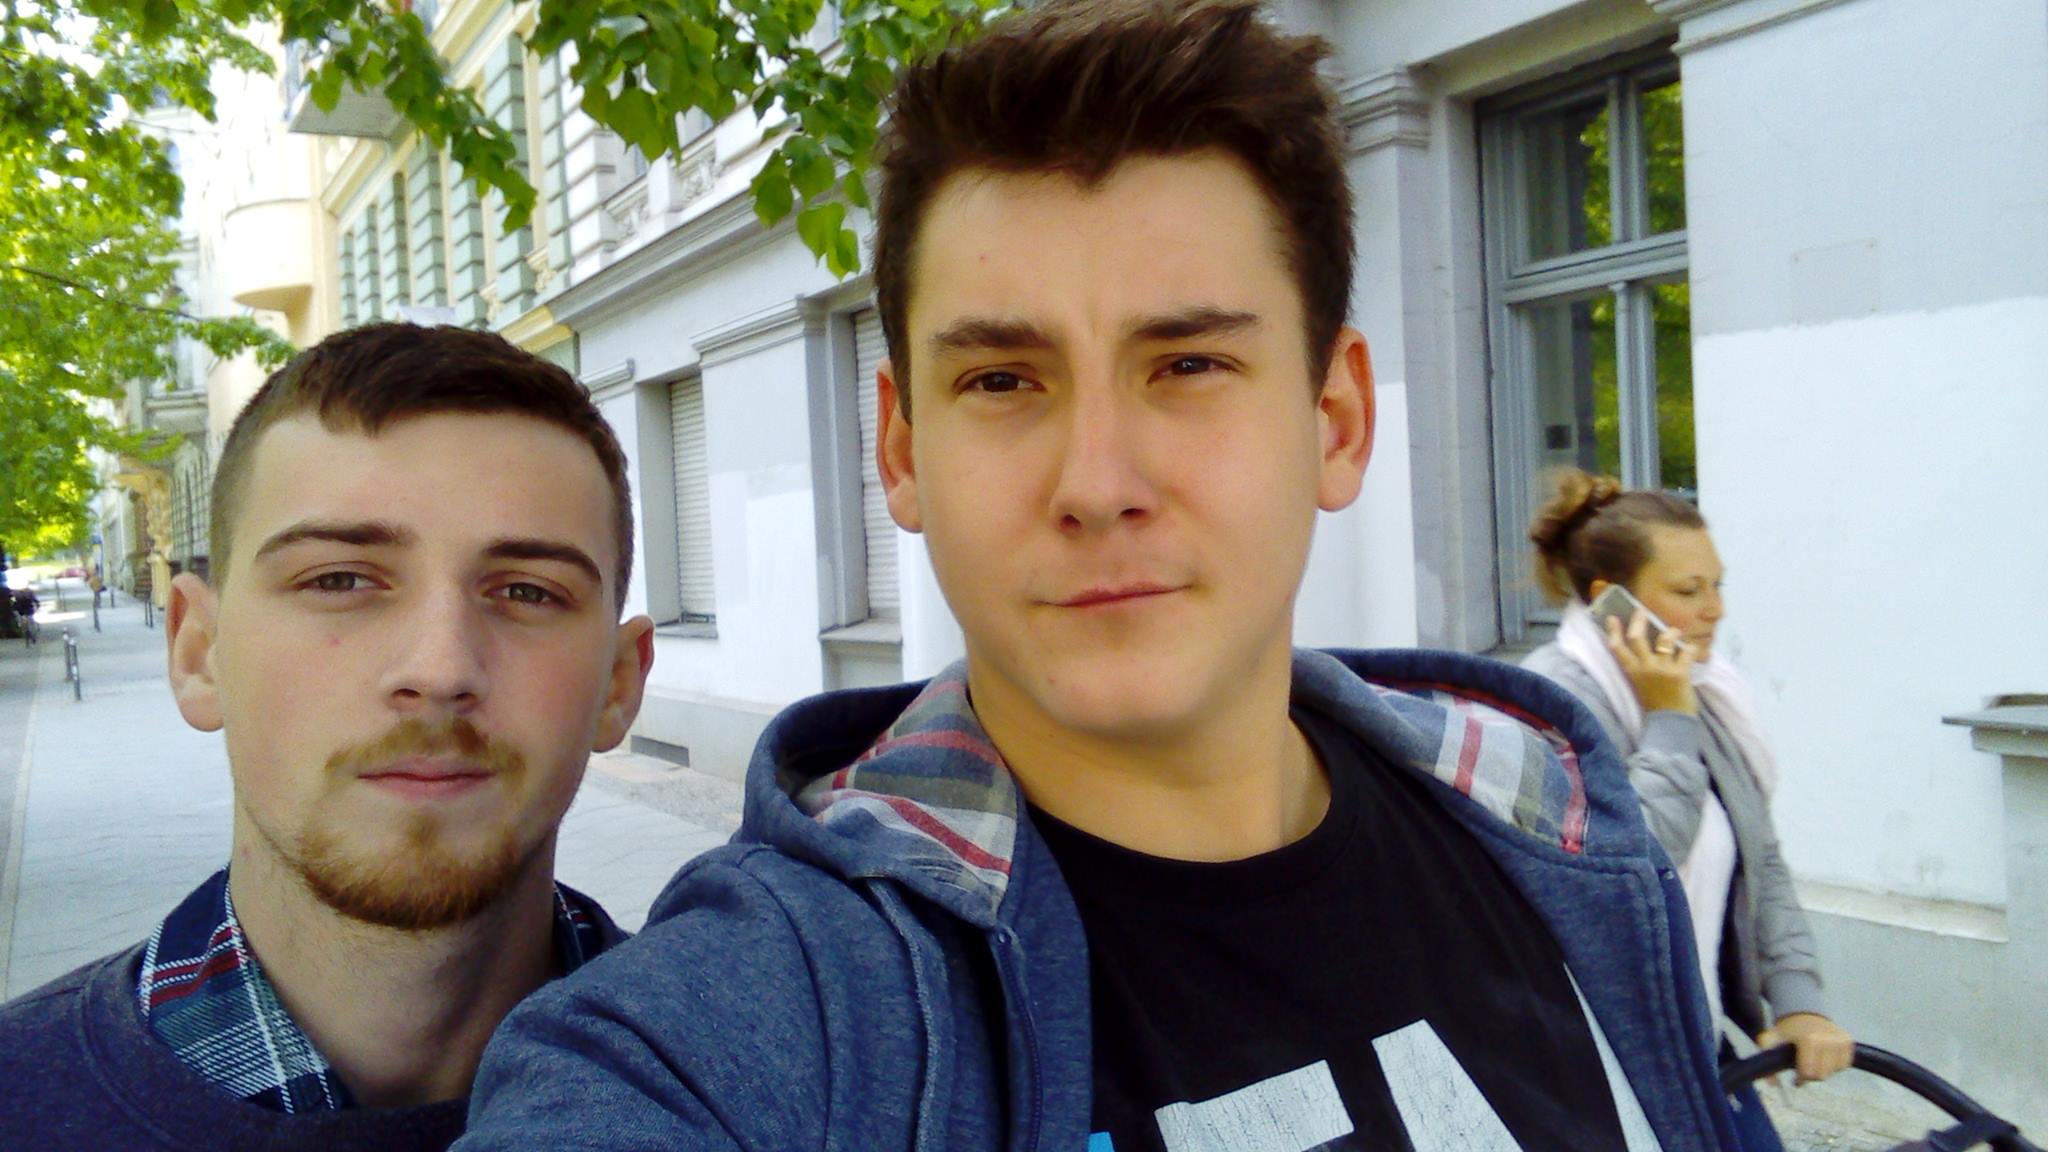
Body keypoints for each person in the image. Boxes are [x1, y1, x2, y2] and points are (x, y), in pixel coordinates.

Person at [458, 3, 1743, 1149]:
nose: (1096, 481)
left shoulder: (1550, 826)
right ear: (901, 452)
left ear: (1336, 420)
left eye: (1186, 365)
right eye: (1000, 381)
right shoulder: (757, 1016)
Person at [0, 324, 658, 1151]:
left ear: (618, 685)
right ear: (198, 654)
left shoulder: (765, 1092)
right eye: (338, 579)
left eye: (527, 591)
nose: (441, 669)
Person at [1521, 470, 1855, 1140]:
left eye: (1717, 586)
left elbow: (1761, 859)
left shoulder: (1706, 692)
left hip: (1693, 1040)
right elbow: (1635, 866)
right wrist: (1669, 718)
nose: (1715, 610)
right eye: (1687, 590)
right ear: (1610, 602)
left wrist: (1799, 1003)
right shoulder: (1546, 705)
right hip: (1594, 1063)